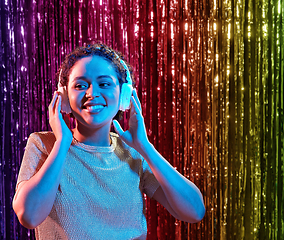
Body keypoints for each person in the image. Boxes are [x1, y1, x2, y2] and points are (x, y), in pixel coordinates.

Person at [12, 43, 205, 240]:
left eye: (104, 84)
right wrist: (62, 144)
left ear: (124, 95)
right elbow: (29, 216)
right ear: (63, 97)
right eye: (80, 85)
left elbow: (194, 211)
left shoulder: (133, 151)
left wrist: (145, 147)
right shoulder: (43, 144)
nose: (92, 93)